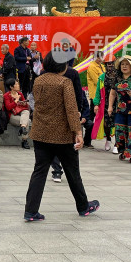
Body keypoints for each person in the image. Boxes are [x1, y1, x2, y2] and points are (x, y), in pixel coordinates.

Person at [24, 51, 99, 221]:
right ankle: (83, 206)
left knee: (39, 171)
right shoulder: (64, 82)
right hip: (62, 135)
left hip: (41, 133)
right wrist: (78, 132)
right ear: (62, 66)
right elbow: (72, 110)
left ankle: (30, 211)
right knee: (72, 172)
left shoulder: (38, 80)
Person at [92, 55, 117, 153]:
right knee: (106, 124)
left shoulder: (119, 76)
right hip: (105, 103)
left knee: (117, 124)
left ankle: (117, 144)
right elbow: (98, 91)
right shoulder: (102, 77)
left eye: (111, 63)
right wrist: (96, 104)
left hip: (118, 103)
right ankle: (108, 140)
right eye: (108, 64)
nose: (110, 66)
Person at [3, 78, 30, 149]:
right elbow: (8, 107)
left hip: (21, 113)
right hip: (12, 115)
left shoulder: (20, 94)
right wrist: (16, 100)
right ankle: (24, 140)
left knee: (26, 112)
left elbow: (26, 107)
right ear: (11, 87)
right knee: (28, 121)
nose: (18, 85)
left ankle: (23, 127)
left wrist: (24, 103)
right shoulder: (6, 96)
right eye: (16, 84)